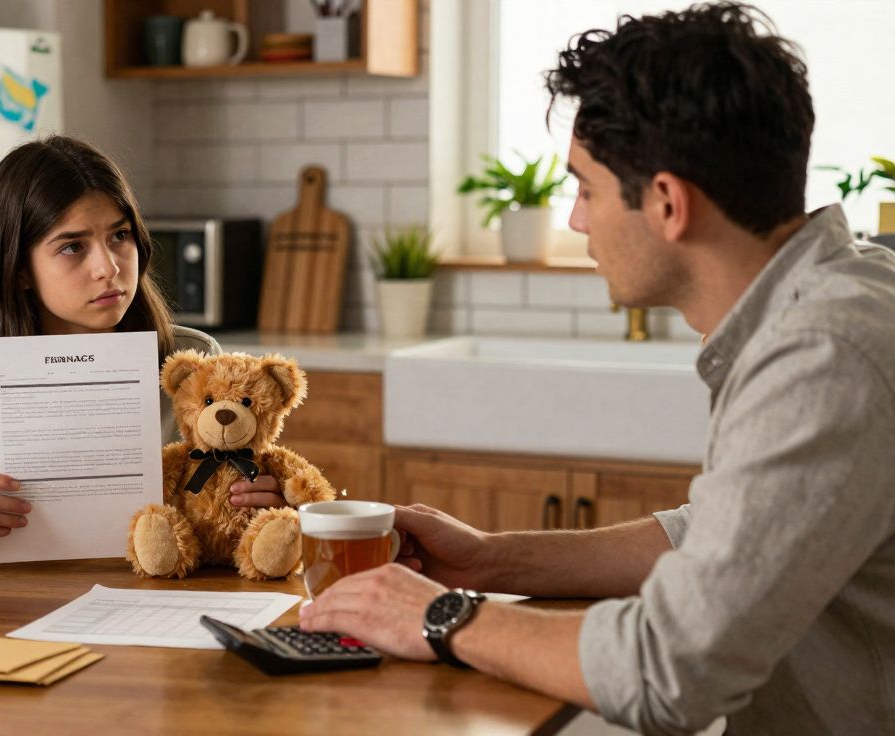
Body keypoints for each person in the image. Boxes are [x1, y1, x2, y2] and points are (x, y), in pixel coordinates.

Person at [299, 4, 895, 734]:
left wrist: (439, 614)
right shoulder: (840, 293)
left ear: (670, 204)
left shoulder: (823, 356)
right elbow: (720, 537)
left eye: (585, 188)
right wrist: (491, 561)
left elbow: (667, 670)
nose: (577, 222)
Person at [0, 136, 285, 559]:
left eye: (119, 236)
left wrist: (267, 505)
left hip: (168, 607)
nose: (108, 267)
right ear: (20, 268)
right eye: (72, 247)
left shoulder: (193, 365)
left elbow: (249, 508)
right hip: (24, 615)